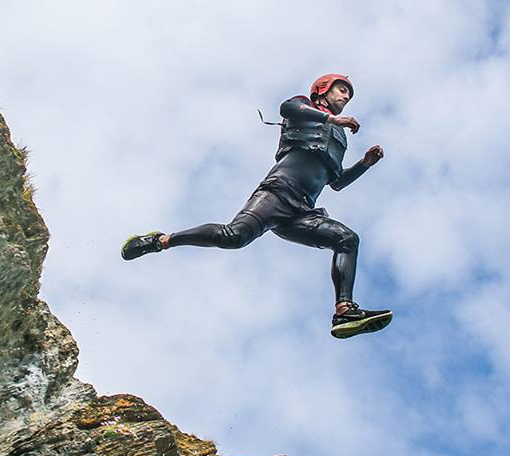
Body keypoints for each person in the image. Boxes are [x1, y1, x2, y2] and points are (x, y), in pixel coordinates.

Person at [121, 73, 391, 339]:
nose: (346, 95)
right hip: (277, 193)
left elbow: (336, 182)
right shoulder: (304, 107)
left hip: (303, 212)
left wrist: (365, 164)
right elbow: (286, 108)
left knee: (347, 239)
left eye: (349, 93)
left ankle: (344, 311)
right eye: (341, 89)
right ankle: (161, 240)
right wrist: (331, 118)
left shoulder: (339, 137)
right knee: (234, 237)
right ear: (322, 90)